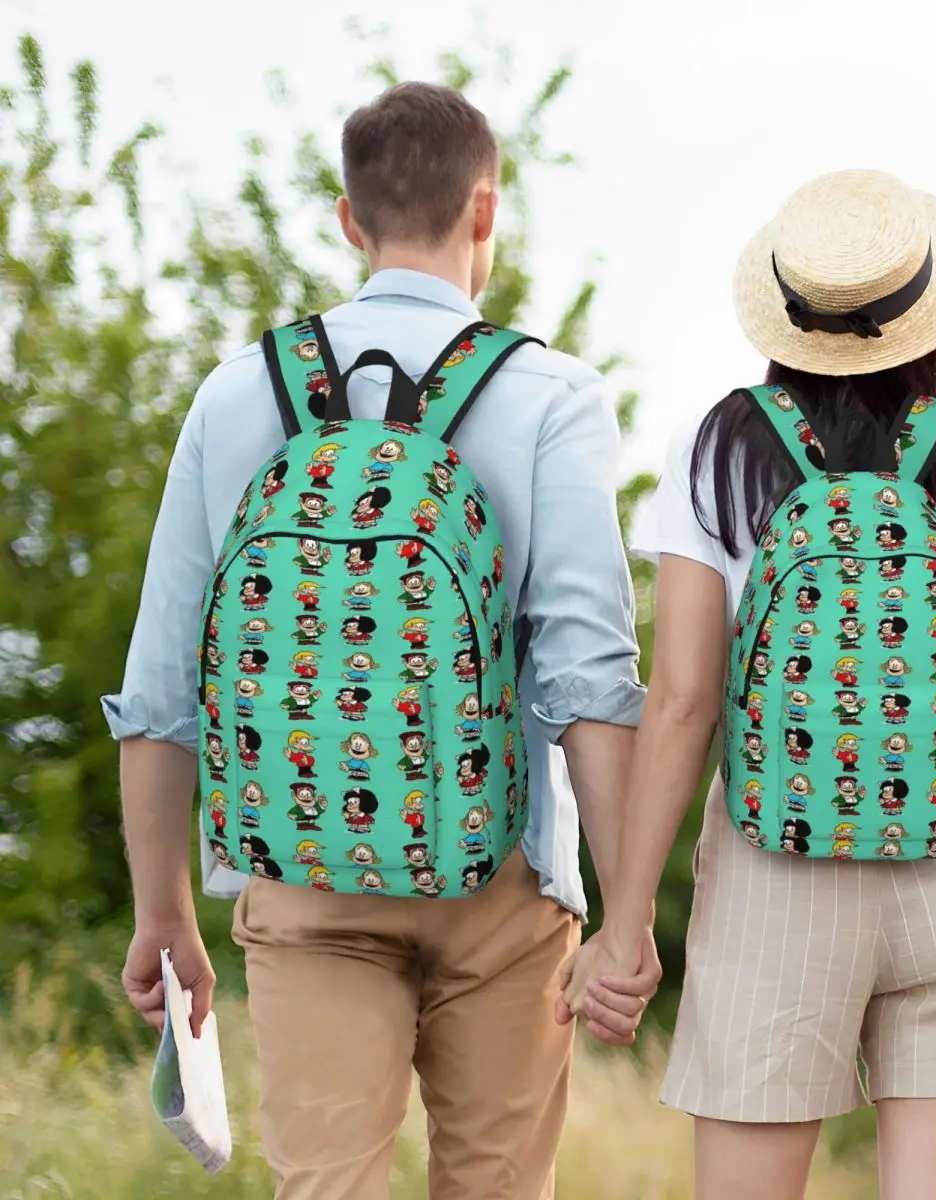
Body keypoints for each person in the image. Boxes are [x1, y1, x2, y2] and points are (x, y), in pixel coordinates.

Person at [105, 81, 661, 1200]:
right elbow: (589, 680)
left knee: (325, 1186)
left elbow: (162, 684)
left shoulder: (237, 394)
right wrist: (628, 916)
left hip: (301, 872)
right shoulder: (550, 394)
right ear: (486, 213)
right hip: (502, 876)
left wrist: (163, 911)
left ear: (349, 219)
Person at [559, 169, 936, 1200]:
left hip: (773, 883)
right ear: (925, 316)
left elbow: (682, 705)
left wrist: (623, 927)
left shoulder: (717, 450)